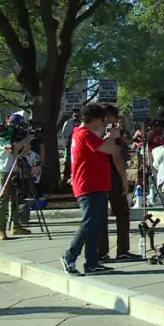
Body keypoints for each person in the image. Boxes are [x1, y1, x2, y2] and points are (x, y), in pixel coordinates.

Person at [61, 103, 119, 275]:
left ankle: (92, 263)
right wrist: (112, 135)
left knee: (96, 224)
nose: (102, 123)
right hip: (89, 185)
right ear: (93, 120)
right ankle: (70, 256)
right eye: (101, 120)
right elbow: (108, 148)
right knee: (89, 223)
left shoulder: (82, 134)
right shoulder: (85, 134)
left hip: (96, 185)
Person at [98, 104, 141, 262]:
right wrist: (123, 178)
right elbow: (115, 156)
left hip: (99, 176)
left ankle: (101, 252)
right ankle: (122, 250)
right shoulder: (110, 132)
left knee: (102, 216)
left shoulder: (94, 131)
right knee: (122, 213)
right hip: (111, 176)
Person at [0, 114, 34, 240]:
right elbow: (12, 147)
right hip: (3, 170)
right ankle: (1, 228)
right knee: (3, 199)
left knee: (16, 198)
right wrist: (25, 139)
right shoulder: (2, 134)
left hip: (16, 169)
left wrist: (28, 141)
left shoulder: (18, 136)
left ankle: (16, 226)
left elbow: (24, 152)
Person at [61, 109, 81, 182]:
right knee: (68, 161)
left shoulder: (81, 123)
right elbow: (64, 134)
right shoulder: (69, 122)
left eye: (78, 114)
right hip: (70, 144)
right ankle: (66, 177)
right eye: (75, 114)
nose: (76, 115)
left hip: (79, 144)